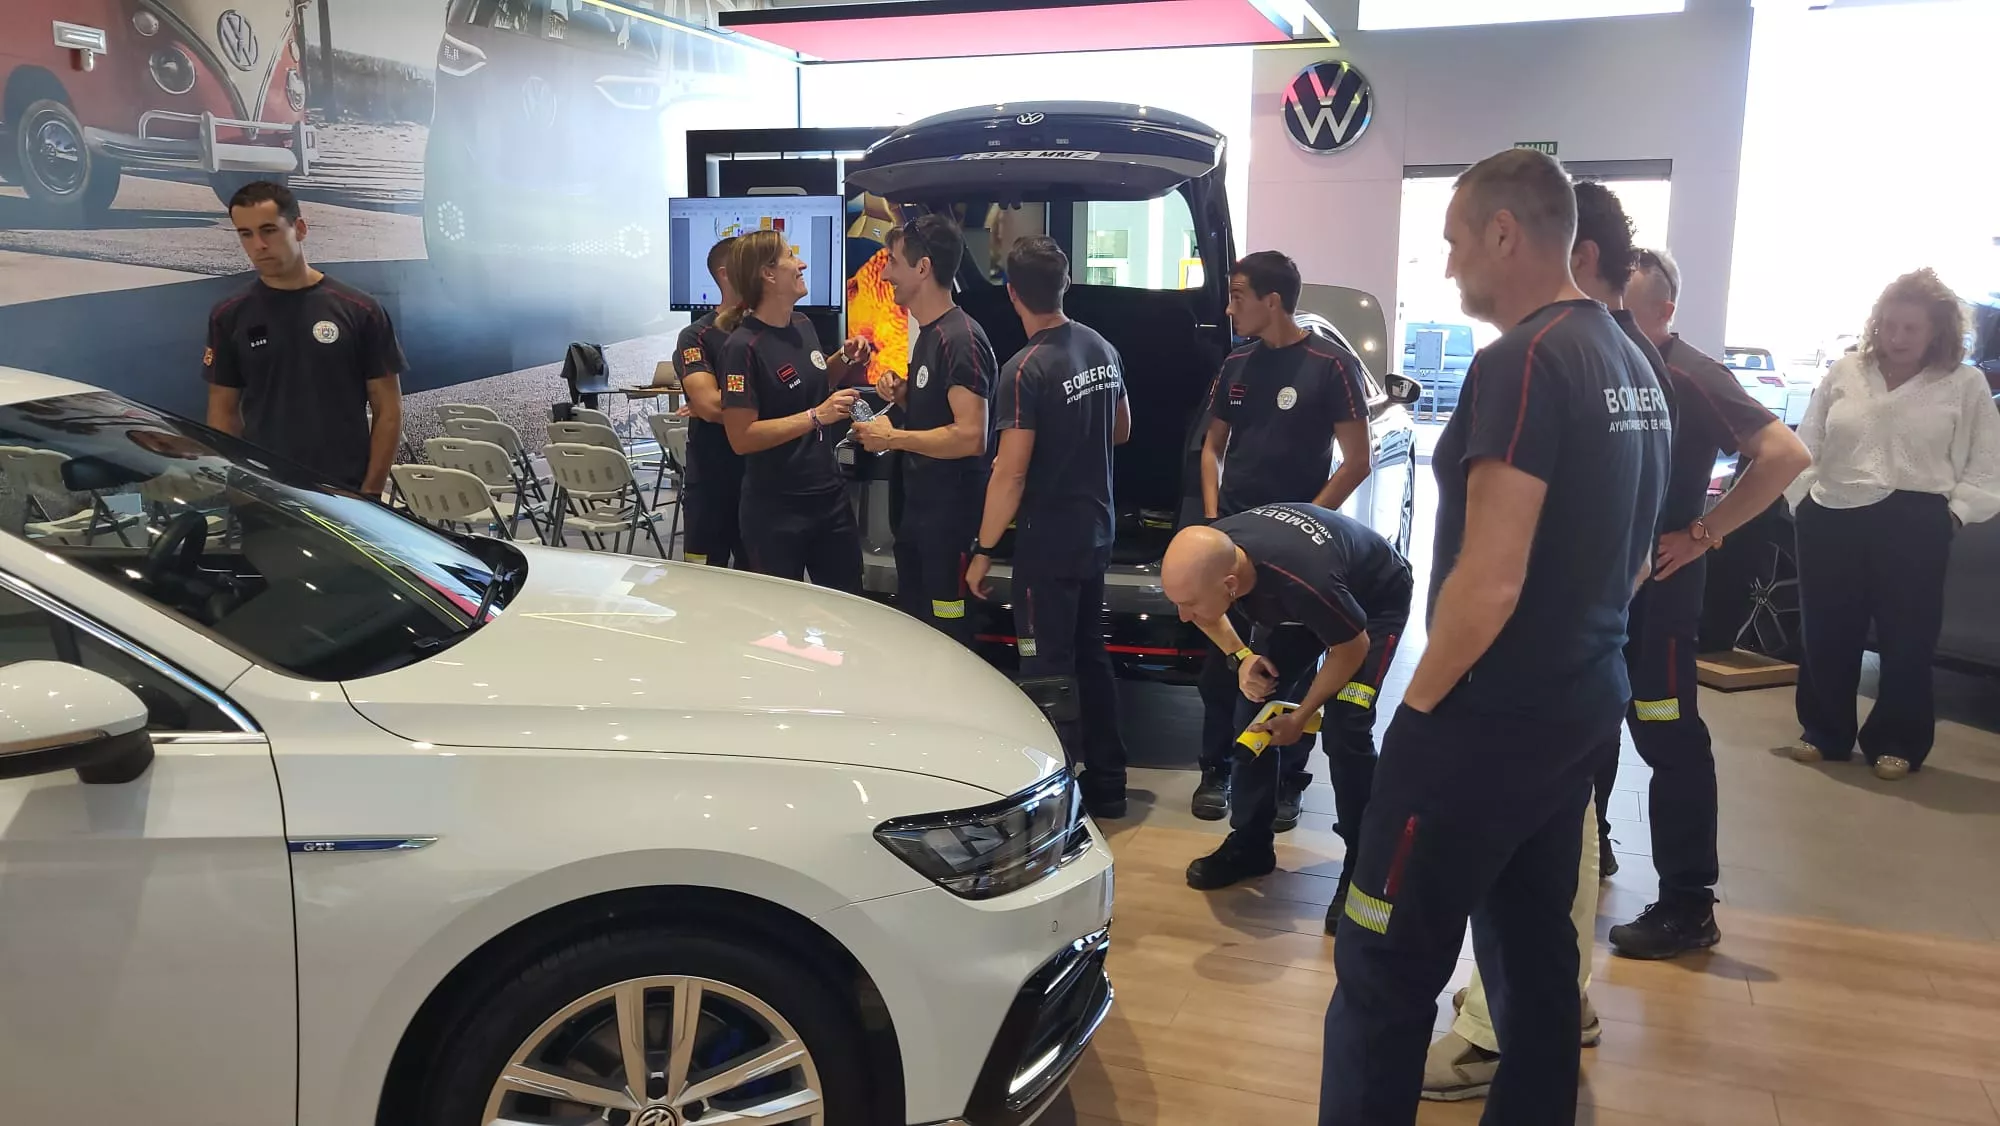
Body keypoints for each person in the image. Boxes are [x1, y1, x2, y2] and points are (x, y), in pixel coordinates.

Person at [1319, 148, 1668, 1126]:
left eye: (1454, 242)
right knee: (1530, 948)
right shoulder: (1630, 358)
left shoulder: (1521, 361)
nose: (1449, 266)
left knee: (1381, 967)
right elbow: (1636, 557)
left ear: (1504, 233)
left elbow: (1491, 576)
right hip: (1577, 705)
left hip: (1482, 726)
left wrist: (1418, 714)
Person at [1784, 268, 2000, 780]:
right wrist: (1803, 500)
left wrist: (1954, 514)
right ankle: (1825, 731)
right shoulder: (1846, 372)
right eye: (1888, 325)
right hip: (1832, 512)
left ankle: (1898, 739)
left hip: (1915, 520)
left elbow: (1987, 463)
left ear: (1937, 331)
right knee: (1825, 633)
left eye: (1911, 328)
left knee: (1908, 639)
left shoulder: (1964, 384)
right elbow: (1807, 441)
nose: (1897, 337)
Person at [1191, 251, 1375, 834]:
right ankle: (1216, 769)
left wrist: (1306, 523)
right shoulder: (1236, 364)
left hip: (1294, 550)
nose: (1228, 309)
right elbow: (1212, 448)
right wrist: (1214, 522)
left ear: (1272, 301)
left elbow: (1358, 460)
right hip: (1235, 538)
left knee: (1290, 669)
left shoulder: (1330, 366)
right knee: (1224, 662)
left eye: (1237, 296)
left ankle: (1290, 779)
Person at [1163, 503, 1410, 928]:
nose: (1183, 616)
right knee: (1254, 710)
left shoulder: (1303, 580)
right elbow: (1205, 613)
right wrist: (1241, 657)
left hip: (1371, 604)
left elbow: (1351, 648)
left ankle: (1363, 864)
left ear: (1230, 585)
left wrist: (1302, 716)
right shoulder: (1210, 558)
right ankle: (1251, 845)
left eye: (1189, 605)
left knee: (1345, 727)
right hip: (1300, 603)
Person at [965, 236, 1132, 819]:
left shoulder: (1023, 369)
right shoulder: (1101, 347)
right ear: (1066, 284)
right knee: (1091, 654)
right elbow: (1122, 430)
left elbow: (1010, 473)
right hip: (1096, 530)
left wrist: (983, 550)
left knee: (1045, 670)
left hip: (1048, 540)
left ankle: (1055, 806)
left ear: (1012, 293)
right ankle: (1109, 785)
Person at [203, 180, 405, 496]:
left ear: (299, 229)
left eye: (269, 230)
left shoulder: (360, 310)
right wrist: (237, 490)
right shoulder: (229, 315)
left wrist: (370, 493)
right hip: (265, 494)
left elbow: (388, 409)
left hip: (344, 491)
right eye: (246, 234)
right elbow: (223, 412)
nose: (259, 245)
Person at [853, 216, 997, 646]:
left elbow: (971, 436)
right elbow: (938, 415)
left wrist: (892, 438)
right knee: (919, 629)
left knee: (948, 632)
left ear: (923, 268)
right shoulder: (931, 336)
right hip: (919, 516)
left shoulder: (961, 339)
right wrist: (903, 397)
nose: (884, 274)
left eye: (893, 262)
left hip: (947, 524)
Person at [719, 230, 875, 591]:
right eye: (791, 256)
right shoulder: (742, 348)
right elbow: (741, 438)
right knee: (780, 613)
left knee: (848, 603)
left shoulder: (803, 325)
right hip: (776, 509)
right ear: (768, 274)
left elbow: (812, 382)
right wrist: (816, 416)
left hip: (828, 496)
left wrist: (845, 358)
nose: (801, 264)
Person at [673, 237, 746, 568]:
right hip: (711, 482)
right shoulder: (696, 335)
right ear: (726, 273)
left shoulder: (773, 330)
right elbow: (710, 407)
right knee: (701, 581)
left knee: (760, 583)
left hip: (761, 485)